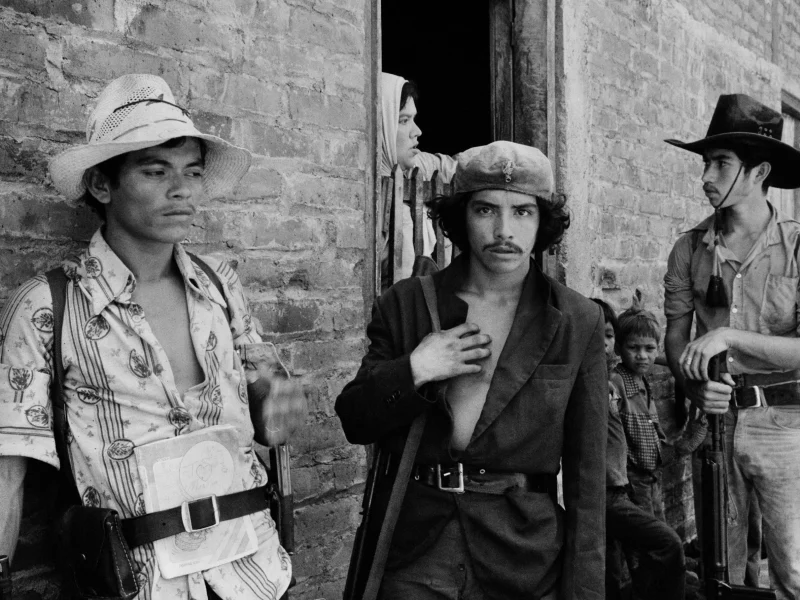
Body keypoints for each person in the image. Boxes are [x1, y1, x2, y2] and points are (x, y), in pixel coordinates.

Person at [0, 74, 306, 600]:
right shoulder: (48, 306)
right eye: (156, 171)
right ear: (102, 186)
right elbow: (8, 470)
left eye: (192, 172)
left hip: (253, 573)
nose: (181, 189)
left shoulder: (220, 286)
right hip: (139, 582)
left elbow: (267, 402)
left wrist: (276, 396)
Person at [336, 141, 607, 599]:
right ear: (462, 216)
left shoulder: (577, 320)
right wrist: (415, 369)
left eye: (522, 212)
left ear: (542, 221)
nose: (504, 230)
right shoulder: (407, 304)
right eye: (485, 210)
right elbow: (355, 420)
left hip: (524, 555)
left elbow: (588, 476)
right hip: (418, 549)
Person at [664, 93, 800, 599]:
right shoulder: (688, 248)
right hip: (716, 425)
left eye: (721, 163)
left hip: (786, 426)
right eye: (705, 163)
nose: (706, 176)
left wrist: (727, 335)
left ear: (759, 172)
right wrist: (693, 387)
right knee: (721, 570)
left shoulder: (796, 246)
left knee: (793, 571)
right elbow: (675, 338)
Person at [592, 299, 684, 600]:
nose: (642, 355)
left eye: (649, 349)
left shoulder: (642, 383)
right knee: (648, 549)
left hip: (649, 477)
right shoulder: (616, 382)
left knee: (652, 542)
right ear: (621, 348)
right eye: (633, 348)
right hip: (629, 482)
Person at [380, 73, 458, 286]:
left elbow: (459, 167)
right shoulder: (358, 194)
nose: (417, 131)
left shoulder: (417, 166)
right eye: (404, 120)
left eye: (413, 119)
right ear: (382, 125)